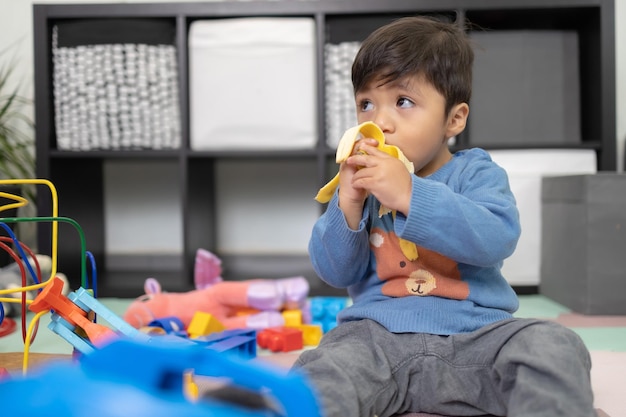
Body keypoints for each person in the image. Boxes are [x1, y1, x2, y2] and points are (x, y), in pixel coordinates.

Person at [292, 16, 595, 417]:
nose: (378, 122)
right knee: (320, 369)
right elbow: (335, 271)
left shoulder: (476, 173)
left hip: (476, 339)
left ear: (454, 119)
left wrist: (409, 194)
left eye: (403, 102)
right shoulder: (362, 186)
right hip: (375, 340)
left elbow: (496, 237)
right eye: (366, 103)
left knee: (554, 345)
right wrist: (346, 204)